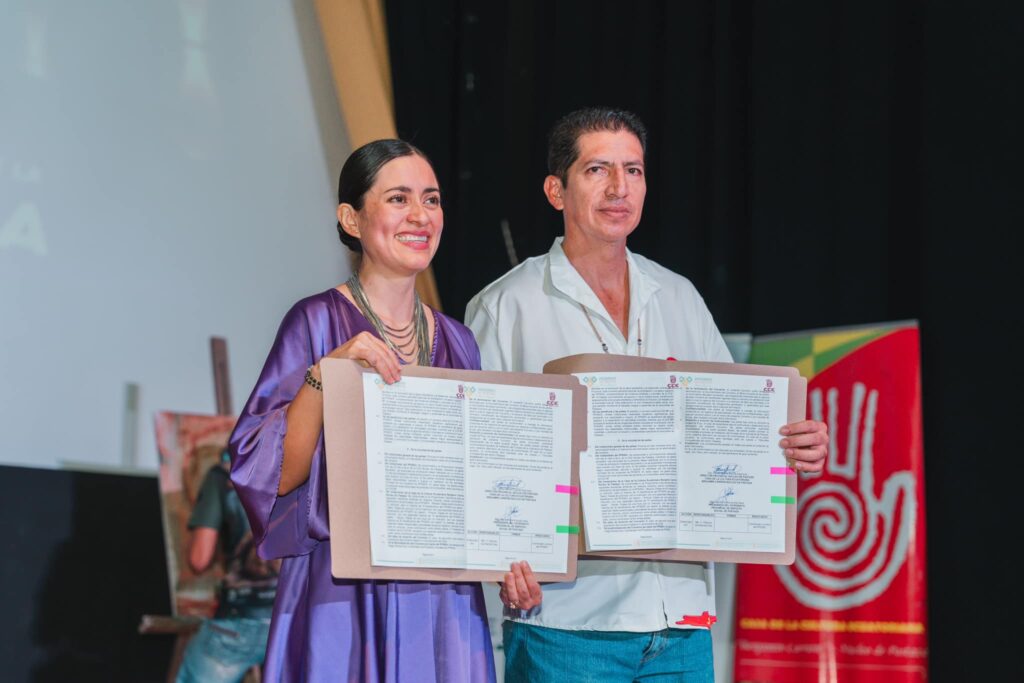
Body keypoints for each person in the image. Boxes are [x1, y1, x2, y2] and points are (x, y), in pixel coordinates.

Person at [465, 107, 830, 682]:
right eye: (597, 170)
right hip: (566, 623)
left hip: (681, 621)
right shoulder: (507, 306)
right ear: (556, 190)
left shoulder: (678, 296)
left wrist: (791, 444)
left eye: (633, 170)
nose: (619, 188)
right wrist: (498, 562)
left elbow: (731, 426)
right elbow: (479, 456)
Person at [229, 139, 514, 682]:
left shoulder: (459, 341)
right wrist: (327, 372)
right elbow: (273, 476)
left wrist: (514, 554)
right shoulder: (314, 321)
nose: (420, 215)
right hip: (341, 592)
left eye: (431, 199)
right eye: (398, 198)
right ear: (351, 218)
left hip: (442, 597)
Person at [176, 449, 278, 682]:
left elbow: (199, 559)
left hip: (238, 620)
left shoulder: (223, 475)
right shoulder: (304, 468)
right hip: (290, 618)